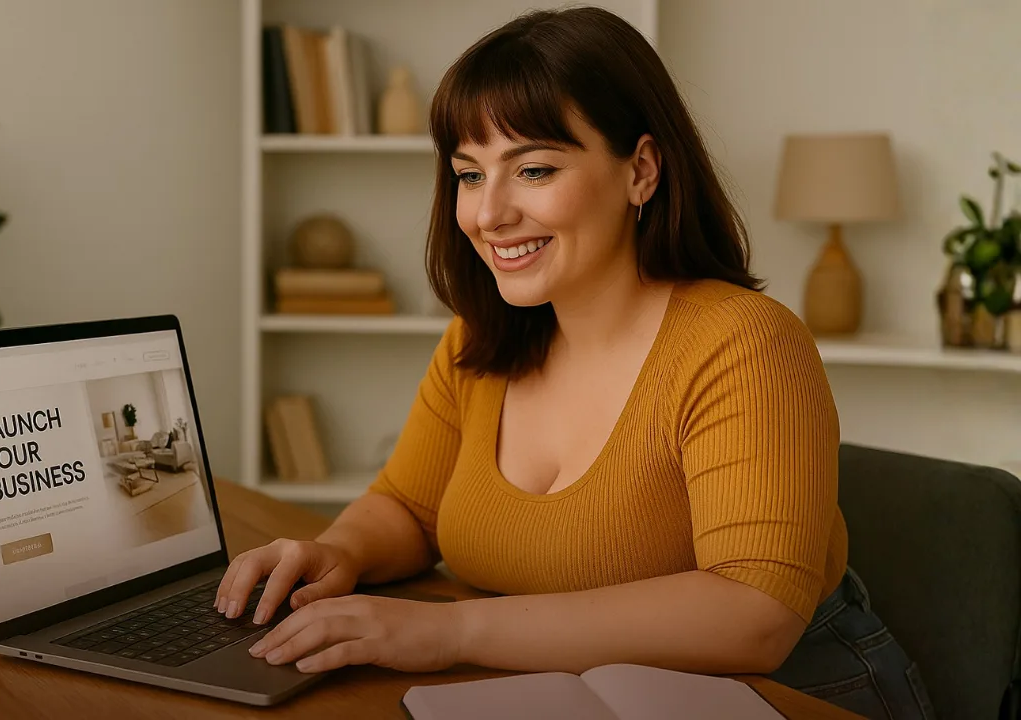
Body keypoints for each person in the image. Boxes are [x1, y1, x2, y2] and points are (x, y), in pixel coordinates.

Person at [215, 7, 934, 719]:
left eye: (532, 169)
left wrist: (448, 631)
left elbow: (754, 613)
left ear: (641, 171)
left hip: (801, 694)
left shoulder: (746, 343)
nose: (488, 214)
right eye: (470, 174)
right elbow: (412, 506)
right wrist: (338, 552)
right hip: (565, 687)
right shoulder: (478, 339)